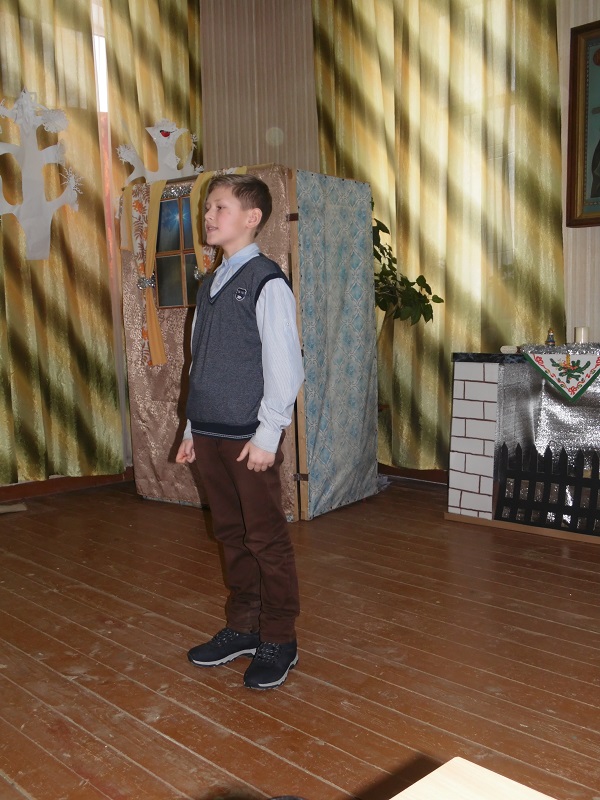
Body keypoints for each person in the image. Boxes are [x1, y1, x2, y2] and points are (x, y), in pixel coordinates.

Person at [176, 173, 304, 690]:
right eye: (207, 208)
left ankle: (279, 637)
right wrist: (191, 427)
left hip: (249, 437)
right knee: (230, 533)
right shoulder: (210, 283)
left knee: (265, 537)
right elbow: (199, 363)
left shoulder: (267, 282)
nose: (208, 216)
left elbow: (286, 368)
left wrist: (268, 435)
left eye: (220, 208)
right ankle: (244, 627)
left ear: (252, 218)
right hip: (209, 432)